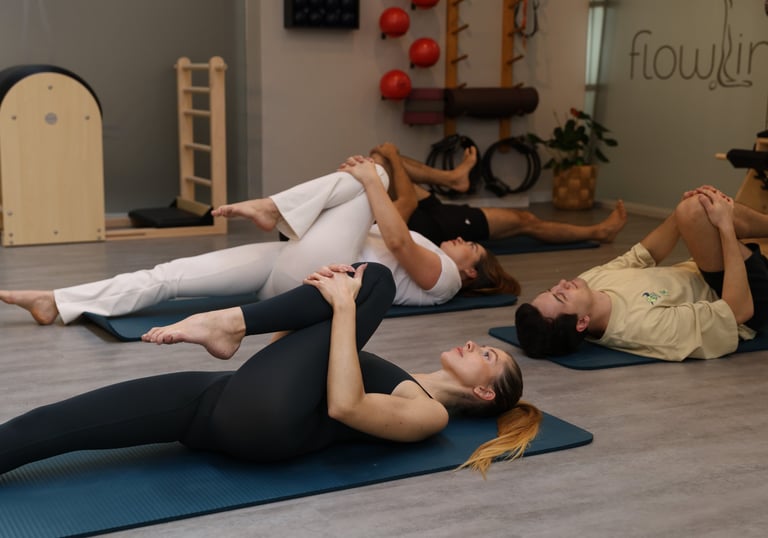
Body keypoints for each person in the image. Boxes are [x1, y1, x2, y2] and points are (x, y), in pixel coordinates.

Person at [0, 262, 541, 478]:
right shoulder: (385, 365)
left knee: (373, 280)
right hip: (220, 400)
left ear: (484, 394)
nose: (477, 345)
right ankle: (231, 326)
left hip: (269, 426)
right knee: (59, 423)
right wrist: (317, 301)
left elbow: (343, 406)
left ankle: (228, 324)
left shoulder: (429, 414)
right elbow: (283, 358)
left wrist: (346, 307)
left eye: (489, 357)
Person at [0, 156, 519, 326]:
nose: (459, 241)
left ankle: (273, 207)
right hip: (291, 264)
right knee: (171, 275)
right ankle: (58, 302)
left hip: (316, 283)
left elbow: (400, 244)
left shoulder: (447, 280)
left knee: (377, 175)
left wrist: (365, 183)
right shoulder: (435, 245)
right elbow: (385, 231)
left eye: (469, 247)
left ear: (473, 271)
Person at [514, 185, 768, 361]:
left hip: (708, 272)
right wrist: (724, 227)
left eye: (552, 289)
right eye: (560, 297)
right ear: (582, 322)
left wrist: (681, 212)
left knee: (695, 207)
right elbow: (738, 311)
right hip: (745, 299)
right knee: (703, 212)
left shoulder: (588, 285)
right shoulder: (643, 328)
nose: (561, 284)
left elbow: (646, 253)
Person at [369, 142, 627, 246]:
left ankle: (454, 178)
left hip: (428, 213)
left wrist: (387, 157)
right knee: (526, 221)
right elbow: (408, 201)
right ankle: (597, 232)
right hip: (437, 226)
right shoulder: (373, 225)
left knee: (379, 157)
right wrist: (392, 154)